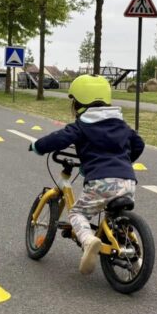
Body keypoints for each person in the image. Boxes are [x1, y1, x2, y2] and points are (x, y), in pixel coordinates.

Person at [31, 75, 145, 275]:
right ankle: (136, 262)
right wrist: (125, 161)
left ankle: (88, 241)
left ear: (78, 103)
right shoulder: (121, 124)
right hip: (128, 181)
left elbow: (58, 139)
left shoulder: (82, 125)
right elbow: (139, 144)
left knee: (77, 213)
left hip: (100, 182)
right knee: (115, 219)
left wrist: (37, 146)